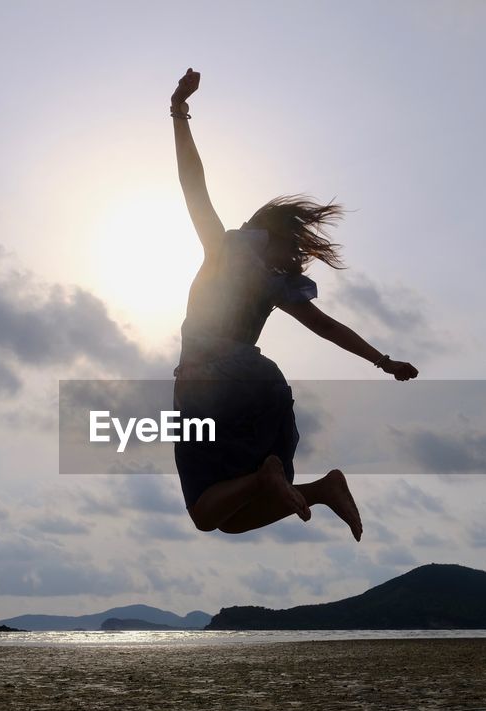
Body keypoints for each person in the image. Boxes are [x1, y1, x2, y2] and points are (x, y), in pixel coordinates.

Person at [169, 68, 418, 541]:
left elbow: (192, 185)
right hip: (265, 389)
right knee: (235, 517)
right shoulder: (278, 286)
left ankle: (271, 478)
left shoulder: (223, 252)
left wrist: (179, 110)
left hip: (209, 383)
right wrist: (383, 361)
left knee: (205, 514)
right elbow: (327, 328)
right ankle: (323, 490)